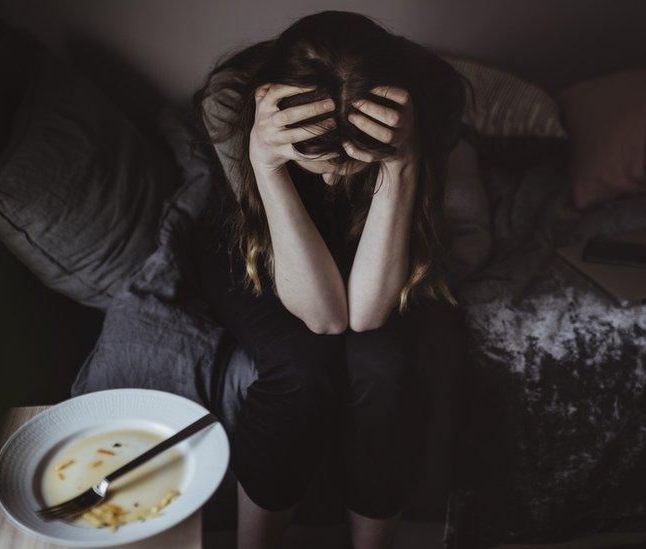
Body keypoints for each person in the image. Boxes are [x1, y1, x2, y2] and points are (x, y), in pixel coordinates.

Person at [192, 10, 467, 549]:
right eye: (321, 159)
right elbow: (323, 317)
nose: (339, 175)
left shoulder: (432, 96)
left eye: (355, 160)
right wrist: (267, 166)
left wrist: (402, 164)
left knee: (387, 369)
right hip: (261, 236)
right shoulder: (229, 102)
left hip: (389, 229)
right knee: (300, 366)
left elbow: (364, 315)